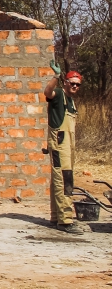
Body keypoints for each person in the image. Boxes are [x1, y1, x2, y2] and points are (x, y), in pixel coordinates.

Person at [45, 66, 86, 234]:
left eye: (78, 84)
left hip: (68, 146)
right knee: (64, 181)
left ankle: (56, 217)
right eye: (72, 83)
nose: (75, 87)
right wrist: (55, 76)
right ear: (65, 83)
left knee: (58, 181)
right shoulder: (60, 95)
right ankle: (66, 221)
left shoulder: (71, 100)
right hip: (60, 146)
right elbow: (48, 92)